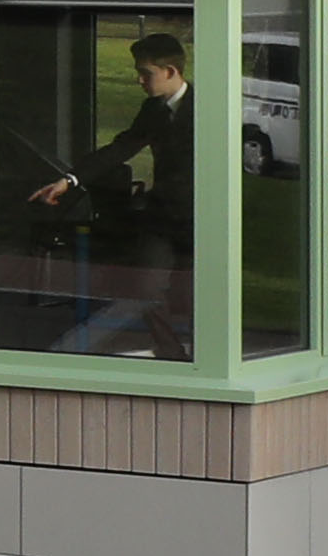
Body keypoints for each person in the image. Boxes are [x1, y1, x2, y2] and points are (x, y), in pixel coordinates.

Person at [25, 31, 198, 353]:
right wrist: (70, 180)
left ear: (170, 72)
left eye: (145, 73)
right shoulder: (153, 109)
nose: (139, 81)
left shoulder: (209, 109)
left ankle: (206, 361)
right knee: (145, 288)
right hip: (163, 217)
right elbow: (121, 147)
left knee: (197, 295)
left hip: (201, 218)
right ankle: (172, 355)